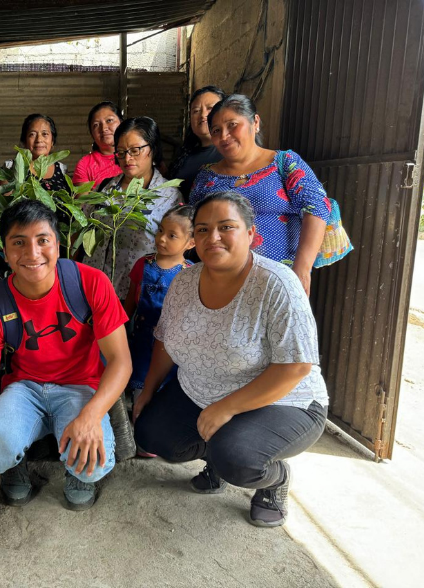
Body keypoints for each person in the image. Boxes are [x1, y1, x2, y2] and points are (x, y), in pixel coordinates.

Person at [133, 191, 329, 527]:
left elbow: (296, 366)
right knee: (151, 434)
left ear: (251, 233)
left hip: (283, 399)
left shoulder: (277, 284)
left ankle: (274, 480)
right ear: (194, 239)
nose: (214, 237)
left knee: (238, 459)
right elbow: (164, 340)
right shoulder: (183, 281)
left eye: (227, 227)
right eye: (204, 230)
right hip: (202, 389)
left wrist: (226, 408)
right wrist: (147, 392)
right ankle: (218, 458)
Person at [0, 200, 132, 539]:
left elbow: (120, 361)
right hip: (25, 388)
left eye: (42, 239)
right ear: (4, 250)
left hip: (79, 386)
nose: (33, 252)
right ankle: (15, 468)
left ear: (57, 244)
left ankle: (77, 469)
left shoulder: (89, 283)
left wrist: (91, 415)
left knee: (94, 465)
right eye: (19, 242)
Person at [189, 94, 329, 295]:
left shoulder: (285, 163)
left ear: (255, 122)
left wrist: (302, 269)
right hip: (220, 280)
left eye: (232, 125)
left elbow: (317, 209)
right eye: (216, 131)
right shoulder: (206, 176)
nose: (224, 136)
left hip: (278, 278)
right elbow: (193, 222)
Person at [86, 116, 182, 299]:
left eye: (135, 150)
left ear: (152, 149)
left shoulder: (169, 196)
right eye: (121, 152)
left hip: (137, 295)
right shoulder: (105, 187)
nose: (127, 158)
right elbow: (84, 230)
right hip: (94, 289)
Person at [124, 204, 195, 398]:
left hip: (171, 345)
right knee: (138, 389)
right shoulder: (143, 264)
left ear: (191, 243)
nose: (161, 239)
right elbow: (131, 301)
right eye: (160, 231)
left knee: (163, 392)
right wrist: (121, 328)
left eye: (172, 235)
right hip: (140, 339)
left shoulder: (191, 273)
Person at [167, 86, 226, 201]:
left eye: (210, 108)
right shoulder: (183, 153)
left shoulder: (230, 153)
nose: (203, 115)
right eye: (196, 111)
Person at [6, 113, 67, 191]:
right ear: (24, 141)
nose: (39, 140)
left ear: (52, 141)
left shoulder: (62, 170)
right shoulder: (10, 167)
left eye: (45, 134)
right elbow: (6, 200)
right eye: (32, 134)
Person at [72, 101, 123, 186]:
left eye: (109, 120)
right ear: (92, 133)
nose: (103, 128)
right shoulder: (85, 164)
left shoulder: (135, 155)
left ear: (122, 122)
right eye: (96, 125)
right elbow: (83, 199)